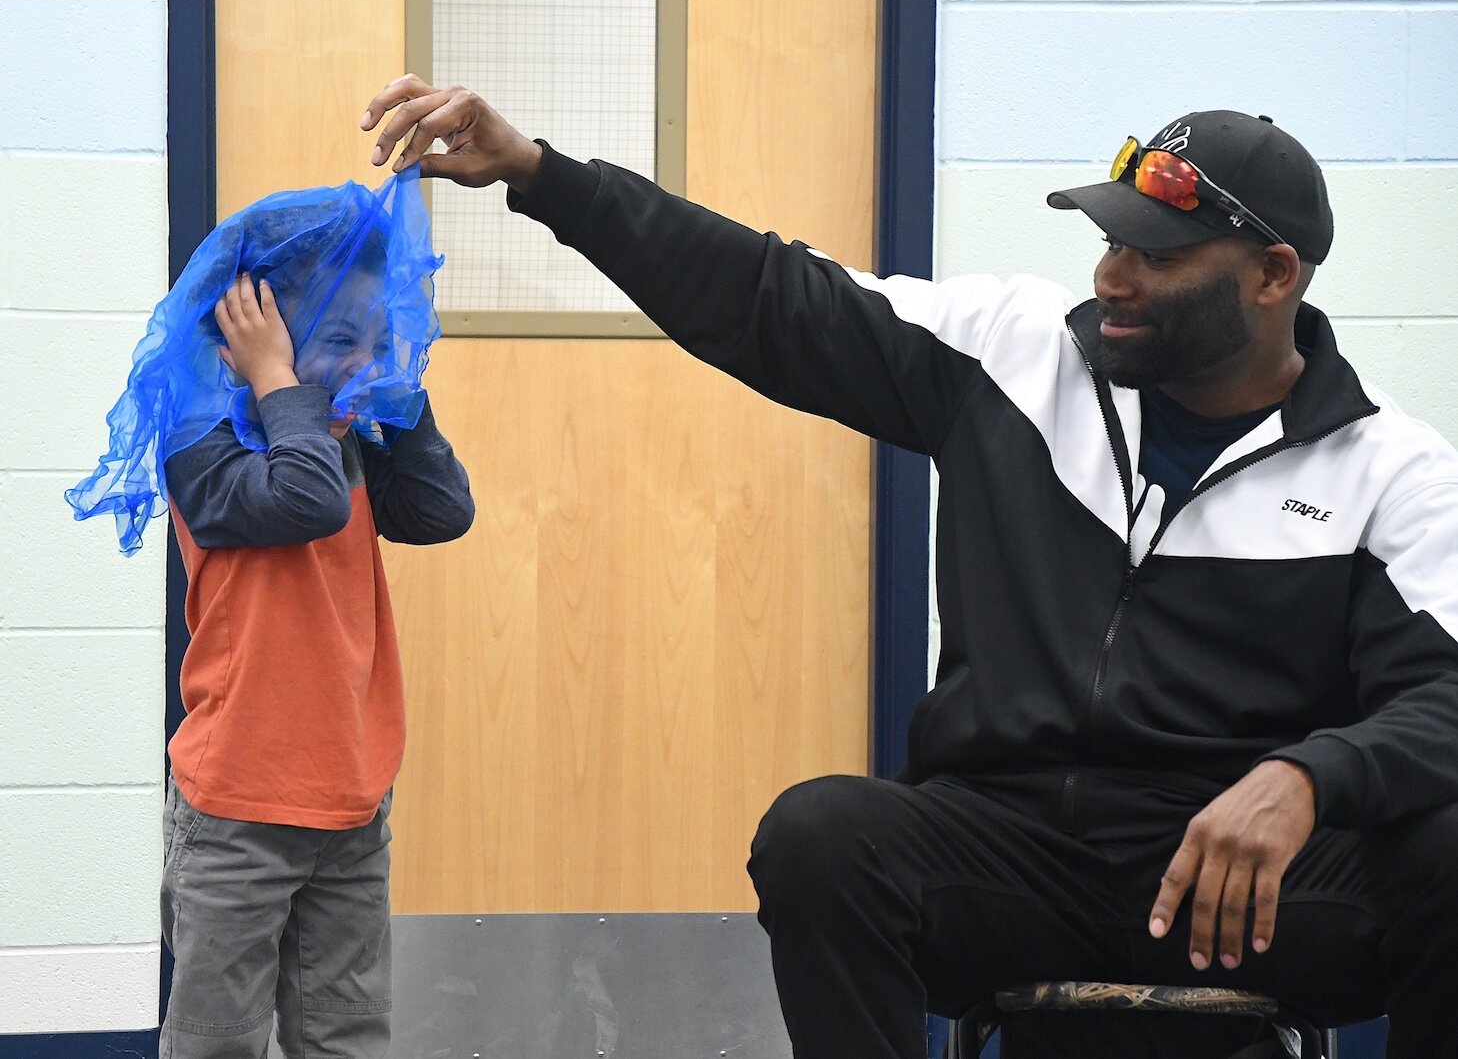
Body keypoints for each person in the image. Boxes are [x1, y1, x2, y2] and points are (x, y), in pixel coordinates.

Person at [360, 79, 1458, 1057]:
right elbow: (768, 296)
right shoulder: (1016, 356)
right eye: (1111, 243)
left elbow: (1445, 699)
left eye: (1157, 257)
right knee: (822, 837)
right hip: (1020, 860)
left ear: (1273, 276)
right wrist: (546, 178)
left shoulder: (1387, 468)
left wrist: (1308, 777)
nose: (1113, 276)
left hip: (1245, 892)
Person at [111, 187, 475, 1057]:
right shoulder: (203, 447)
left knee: (346, 1032)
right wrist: (279, 380)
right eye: (340, 341)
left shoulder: (339, 434)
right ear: (248, 343)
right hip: (238, 810)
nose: (364, 361)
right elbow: (303, 502)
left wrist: (397, 396)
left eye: (377, 339)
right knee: (217, 1038)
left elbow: (441, 510)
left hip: (351, 799)